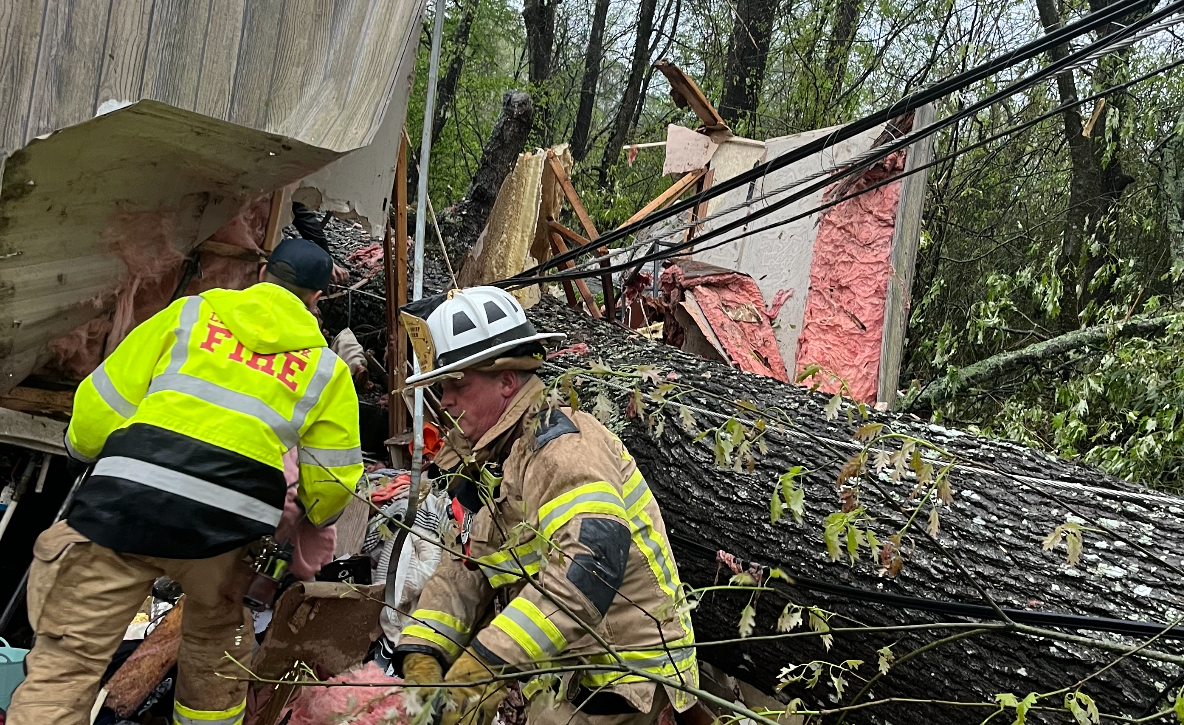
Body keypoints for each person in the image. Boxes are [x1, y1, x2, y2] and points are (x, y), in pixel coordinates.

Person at [9, 238, 364, 725]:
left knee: (67, 664)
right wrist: (316, 514)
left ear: (263, 272)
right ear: (316, 298)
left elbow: (101, 404)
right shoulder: (326, 369)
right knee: (215, 649)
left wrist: (82, 449)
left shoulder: (189, 315)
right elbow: (331, 484)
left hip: (125, 501)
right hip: (226, 527)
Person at [392, 286, 698, 725]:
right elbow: (467, 567)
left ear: (506, 380)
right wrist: (422, 652)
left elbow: (589, 565)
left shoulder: (561, 447)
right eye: (442, 387)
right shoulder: (496, 460)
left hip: (629, 684)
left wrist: (486, 662)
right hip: (572, 677)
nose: (446, 401)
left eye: (458, 384)